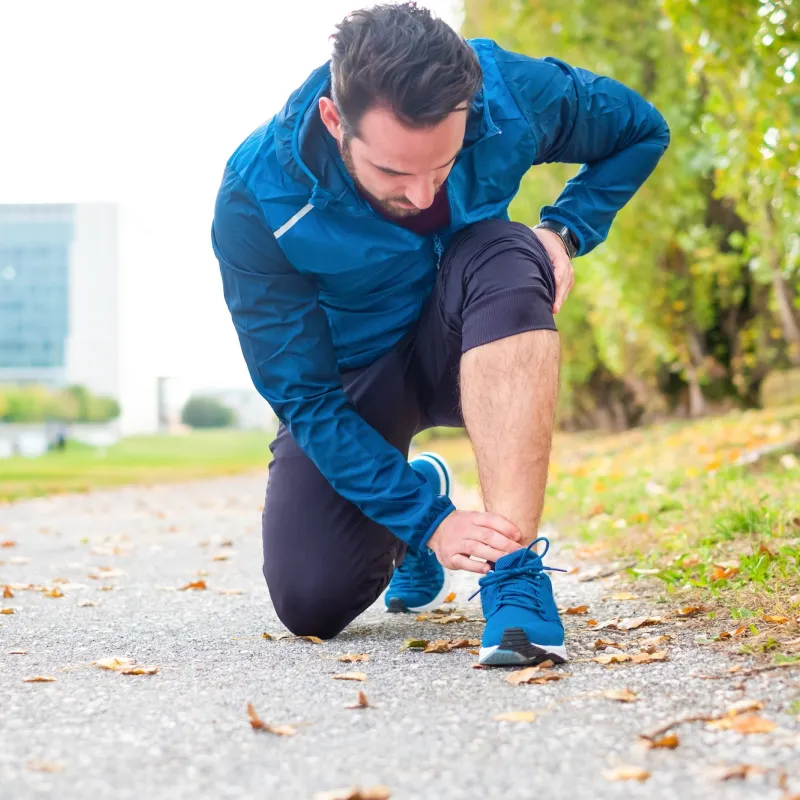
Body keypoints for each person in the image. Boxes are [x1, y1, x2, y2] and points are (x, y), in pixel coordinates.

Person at [211, 2, 669, 666]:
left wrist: (564, 229)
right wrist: (429, 519)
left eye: (443, 165)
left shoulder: (507, 92)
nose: (424, 195)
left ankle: (513, 579)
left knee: (510, 252)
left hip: (475, 327)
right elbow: (306, 398)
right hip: (359, 372)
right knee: (311, 601)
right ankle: (417, 506)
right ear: (335, 121)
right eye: (394, 173)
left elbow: (640, 130)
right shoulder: (257, 195)